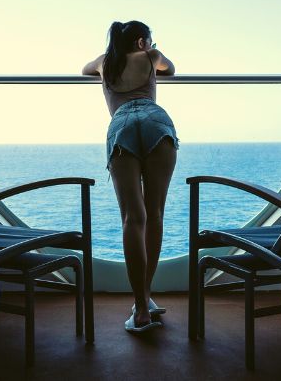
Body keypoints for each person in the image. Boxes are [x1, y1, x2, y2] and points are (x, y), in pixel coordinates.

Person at [82, 20, 178, 333]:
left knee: (132, 219)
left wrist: (111, 55)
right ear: (142, 42)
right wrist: (150, 52)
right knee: (155, 214)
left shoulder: (104, 63)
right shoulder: (151, 56)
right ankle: (146, 297)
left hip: (121, 125)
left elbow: (84, 69)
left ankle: (139, 308)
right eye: (149, 40)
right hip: (154, 120)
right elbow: (171, 69)